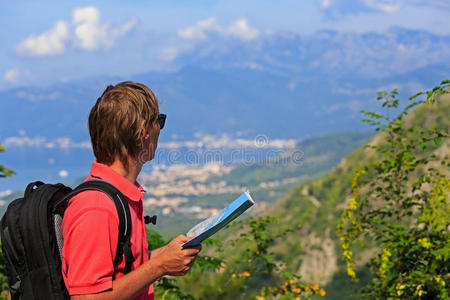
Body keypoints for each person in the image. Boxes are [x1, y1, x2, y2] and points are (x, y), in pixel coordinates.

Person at [61, 81, 201, 300]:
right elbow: (87, 297)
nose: (160, 131)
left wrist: (165, 255)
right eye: (159, 122)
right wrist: (159, 267)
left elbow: (122, 267)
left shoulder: (121, 195)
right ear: (144, 131)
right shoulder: (97, 206)